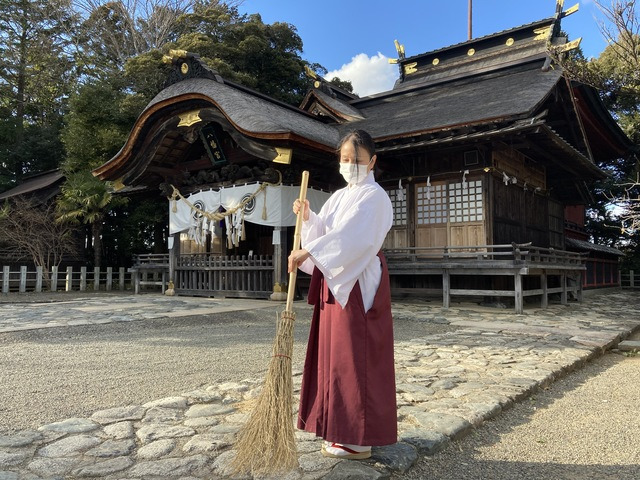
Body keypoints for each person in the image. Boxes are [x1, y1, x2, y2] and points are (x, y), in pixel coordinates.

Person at [287, 129, 397, 460]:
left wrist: (309, 253)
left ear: (372, 161)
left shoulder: (374, 196)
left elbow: (356, 239)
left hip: (358, 281)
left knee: (355, 357)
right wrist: (308, 218)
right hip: (337, 280)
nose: (349, 165)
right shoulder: (339, 196)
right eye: (345, 159)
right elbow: (329, 232)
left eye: (356, 160)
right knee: (335, 358)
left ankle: (359, 437)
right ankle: (339, 429)